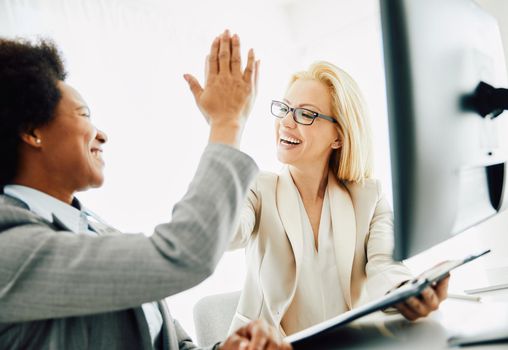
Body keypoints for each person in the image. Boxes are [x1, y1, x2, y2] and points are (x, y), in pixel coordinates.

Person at [0, 31, 291, 350]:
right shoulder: (9, 251)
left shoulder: (94, 229)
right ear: (32, 132)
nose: (102, 135)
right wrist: (227, 122)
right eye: (84, 115)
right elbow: (183, 254)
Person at [228, 61, 450, 337]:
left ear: (339, 136)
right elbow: (223, 236)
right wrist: (226, 129)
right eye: (284, 109)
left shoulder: (369, 197)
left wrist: (409, 293)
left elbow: (386, 265)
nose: (286, 121)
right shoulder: (256, 187)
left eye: (305, 114)